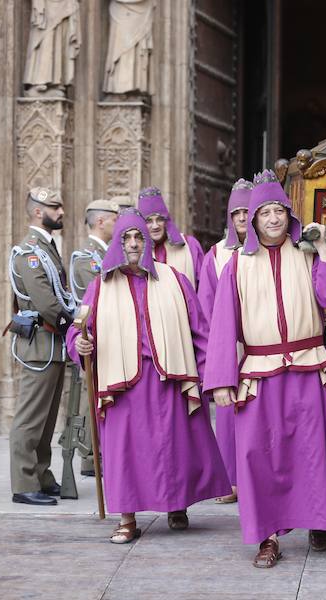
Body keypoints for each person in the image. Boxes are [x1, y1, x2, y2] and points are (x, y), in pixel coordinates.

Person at [203, 170, 326, 568]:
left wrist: (324, 247)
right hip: (260, 373)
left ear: (289, 216)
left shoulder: (309, 253)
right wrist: (222, 378)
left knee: (313, 451)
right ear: (253, 221)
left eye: (279, 211)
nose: (273, 218)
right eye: (265, 213)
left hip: (311, 368)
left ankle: (318, 519)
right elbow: (223, 326)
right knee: (262, 457)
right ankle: (268, 537)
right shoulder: (236, 266)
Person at [68, 209, 231, 542]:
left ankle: (177, 505)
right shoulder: (101, 285)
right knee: (126, 453)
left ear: (146, 242)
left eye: (138, 237)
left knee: (174, 448)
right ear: (118, 243)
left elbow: (200, 332)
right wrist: (80, 345)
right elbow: (78, 330)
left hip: (169, 381)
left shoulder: (174, 279)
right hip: (123, 383)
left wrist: (207, 376)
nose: (132, 243)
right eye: (126, 237)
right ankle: (127, 518)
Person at [8, 187, 76, 506]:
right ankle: (23, 483)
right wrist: (73, 325)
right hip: (41, 344)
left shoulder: (47, 248)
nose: (61, 212)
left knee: (48, 418)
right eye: (54, 207)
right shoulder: (29, 251)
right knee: (30, 418)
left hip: (53, 344)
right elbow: (46, 302)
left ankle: (42, 475)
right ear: (38, 212)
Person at [197, 178, 252, 504]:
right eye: (237, 213)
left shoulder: (272, 249)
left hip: (265, 343)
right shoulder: (216, 254)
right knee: (230, 415)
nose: (243, 218)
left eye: (247, 211)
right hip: (232, 346)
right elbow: (206, 308)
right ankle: (231, 479)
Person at [69, 198, 119, 476]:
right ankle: (91, 457)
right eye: (115, 218)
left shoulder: (105, 253)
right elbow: (99, 296)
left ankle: (97, 453)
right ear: (101, 221)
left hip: (110, 336)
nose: (119, 223)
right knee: (93, 396)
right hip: (94, 334)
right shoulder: (88, 258)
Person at [137, 186, 204, 287]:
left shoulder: (190, 245)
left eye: (159, 219)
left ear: (166, 220)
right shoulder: (136, 251)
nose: (155, 226)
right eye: (149, 221)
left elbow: (204, 288)